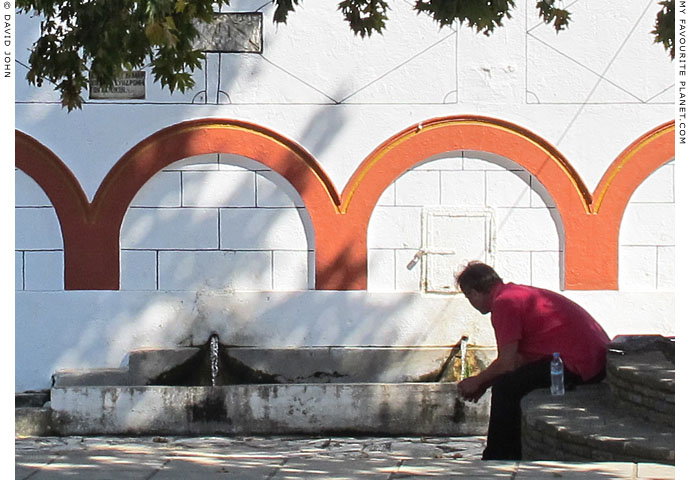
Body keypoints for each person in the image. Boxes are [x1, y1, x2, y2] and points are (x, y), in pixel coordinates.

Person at [455, 261, 610, 460]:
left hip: (579, 364)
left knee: (505, 388)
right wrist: (484, 382)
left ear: (474, 292)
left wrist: (477, 381)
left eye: (468, 296)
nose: (471, 303)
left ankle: (498, 457)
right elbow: (517, 360)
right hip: (592, 359)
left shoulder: (504, 303)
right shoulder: (514, 294)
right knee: (511, 382)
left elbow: (507, 363)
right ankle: (510, 452)